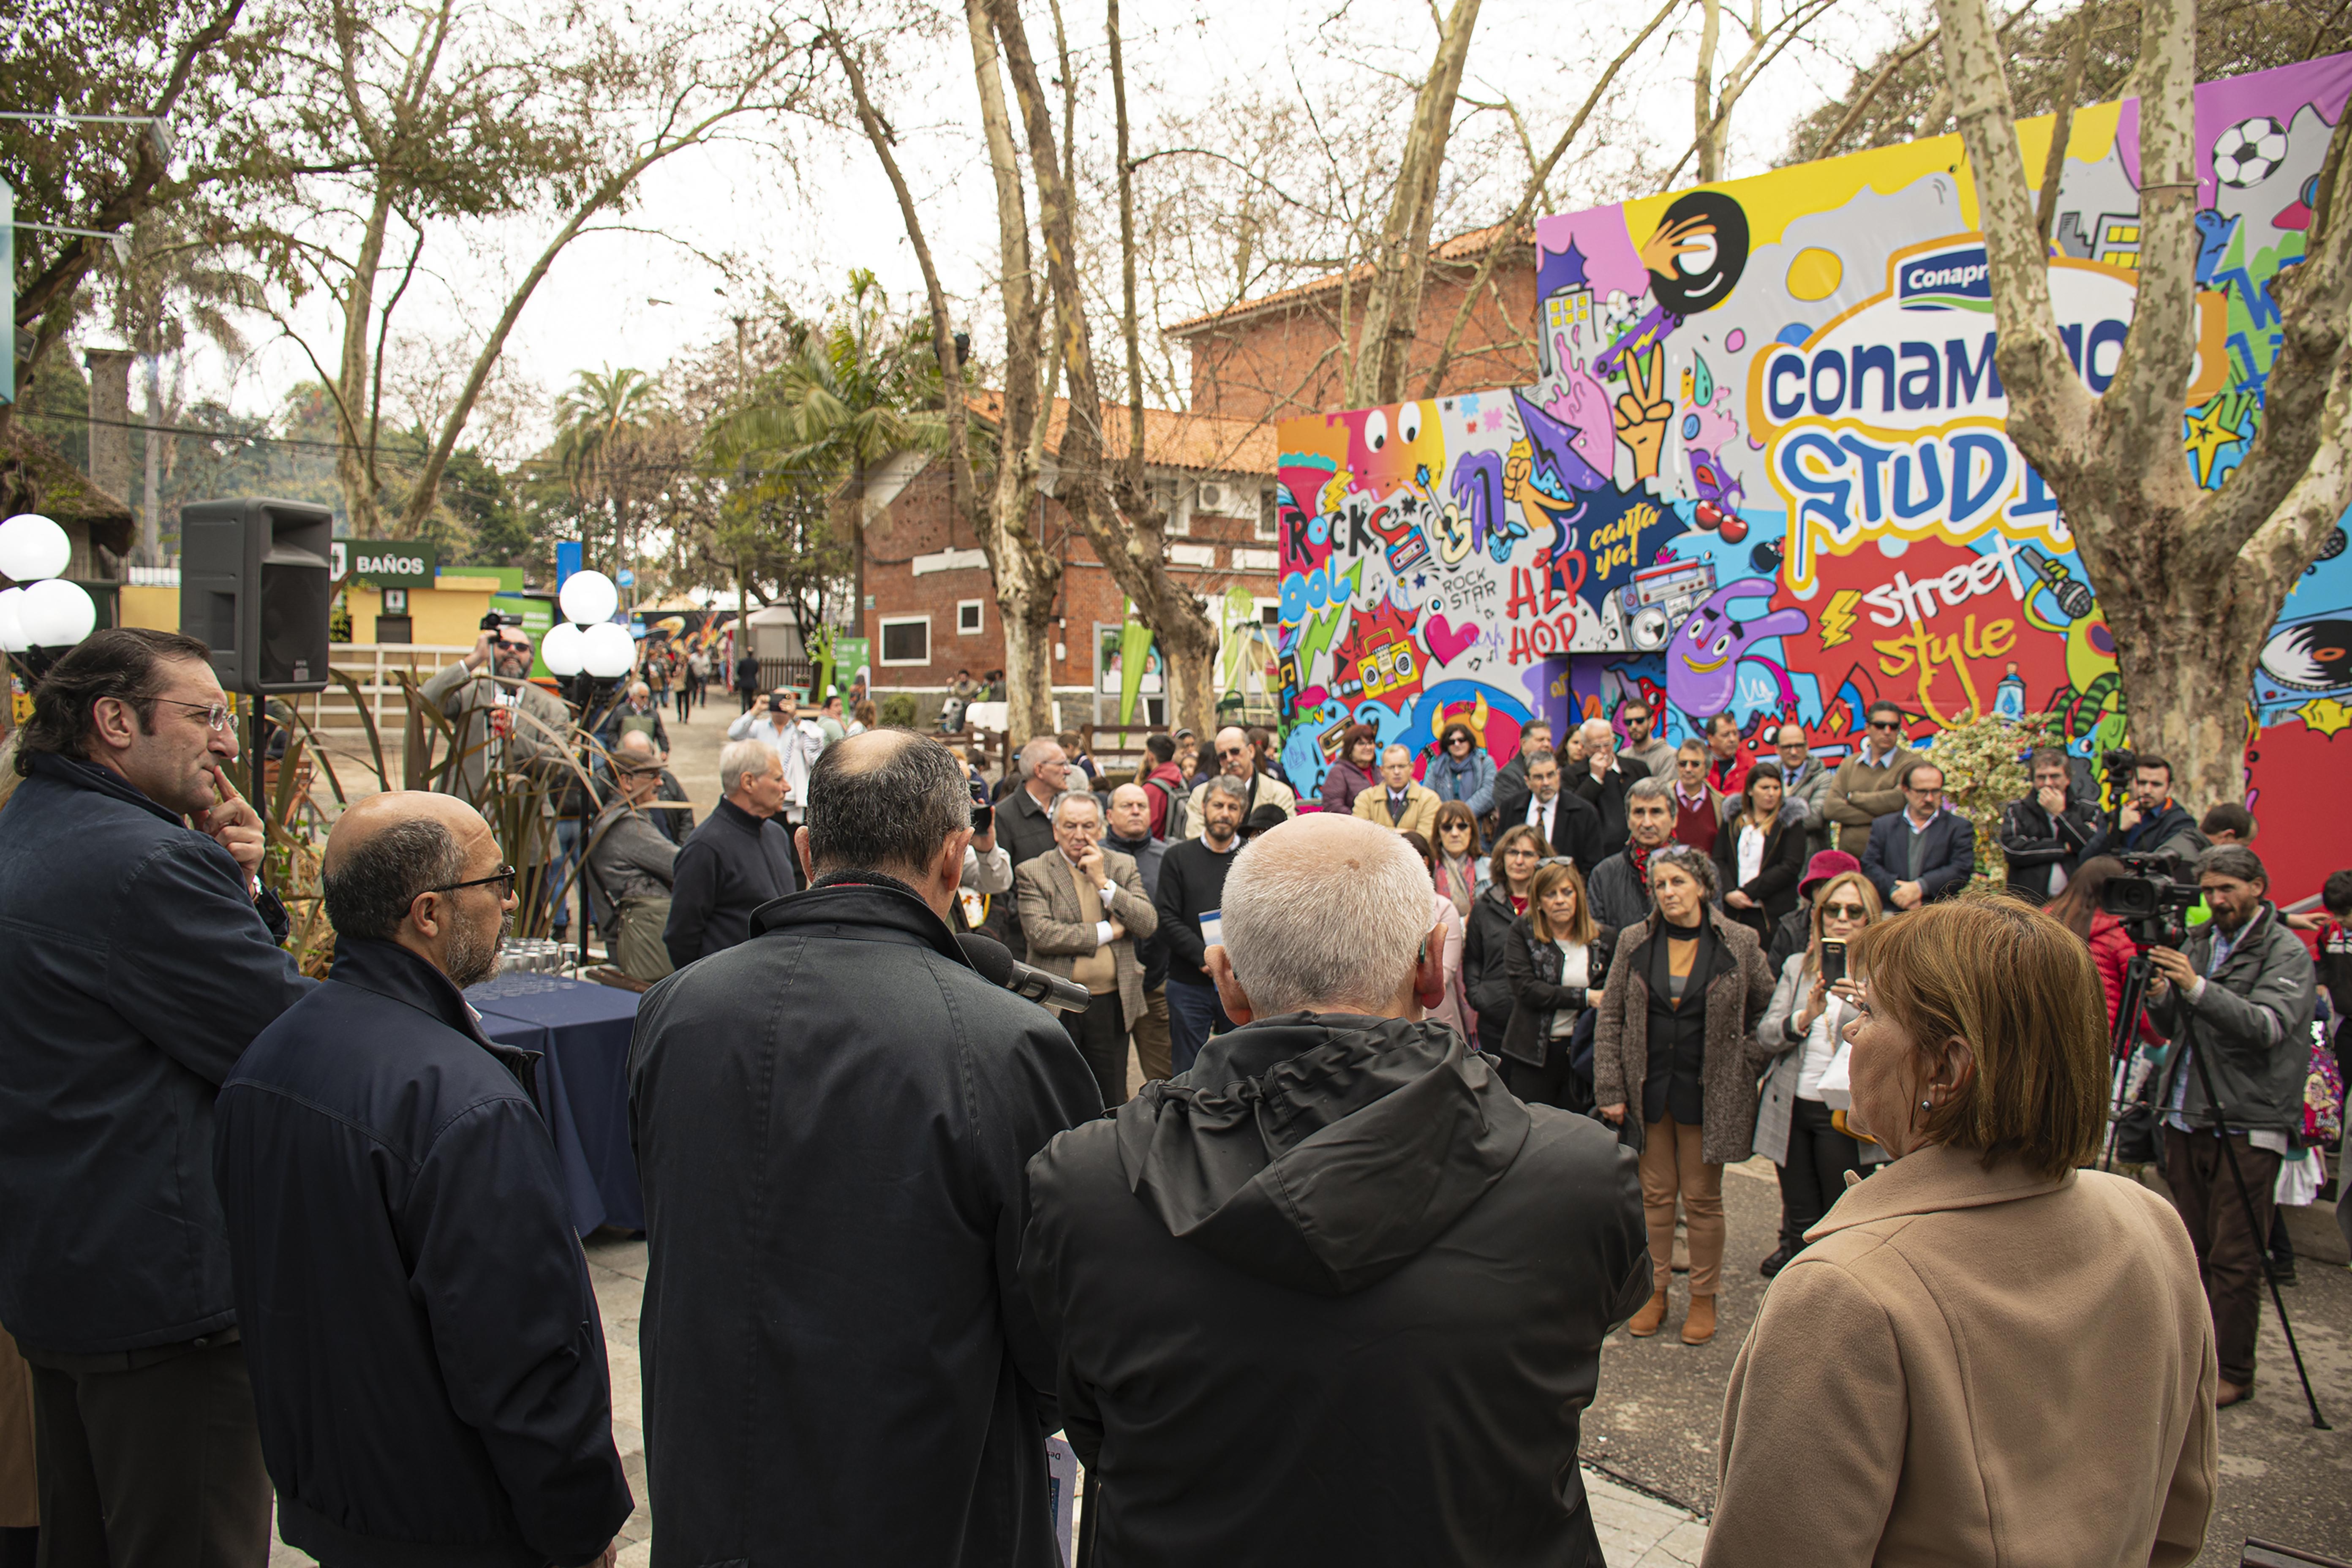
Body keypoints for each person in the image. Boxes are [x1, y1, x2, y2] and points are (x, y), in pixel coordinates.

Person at [1019, 814, 1648, 1567]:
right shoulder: (1578, 1175)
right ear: (1429, 968)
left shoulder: (1082, 1183)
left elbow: (1082, 1404)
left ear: (1227, 983)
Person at [629, 730, 1101, 1565]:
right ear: (956, 861)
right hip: (928, 1494)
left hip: (716, 1483)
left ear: (805, 849)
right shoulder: (1011, 1042)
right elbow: (1057, 1325)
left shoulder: (677, 1008)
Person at [1705, 899, 2217, 1568]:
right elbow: (2181, 1521)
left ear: (1946, 1070)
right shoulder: (2151, 1222)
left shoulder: (1849, 1294)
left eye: (1872, 1013)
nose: (1851, 1032)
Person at [214, 793, 633, 1568]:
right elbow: (521, 1354)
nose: (510, 900)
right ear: (430, 912)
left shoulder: (266, 1057)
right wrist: (581, 1524)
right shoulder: (462, 1103)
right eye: (496, 881)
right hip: (458, 1522)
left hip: (339, 1503)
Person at [0, 629, 311, 1563]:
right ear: (114, 721)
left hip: (62, 1280)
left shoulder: (30, 823)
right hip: (166, 1304)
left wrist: (242, 887)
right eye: (205, 715)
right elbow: (278, 1041)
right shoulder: (150, 864)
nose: (227, 741)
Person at [2145, 845, 2317, 1408]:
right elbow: (2172, 1028)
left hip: (2249, 1117)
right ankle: (2191, 1360)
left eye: (2228, 890)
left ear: (2258, 888)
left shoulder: (2286, 952)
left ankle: (2235, 1370)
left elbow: (2266, 1026)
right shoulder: (2197, 942)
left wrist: (2194, 987)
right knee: (2189, 1250)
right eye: (2210, 890)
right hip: (2188, 1109)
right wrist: (2164, 997)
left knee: (2237, 1255)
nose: (2217, 901)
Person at [1592, 843, 1776, 1345]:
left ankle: (1703, 1296)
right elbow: (1611, 1015)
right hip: (1648, 1089)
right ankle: (1653, 1294)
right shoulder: (1635, 939)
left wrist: (1747, 1060)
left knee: (1701, 1199)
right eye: (1660, 885)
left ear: (1702, 885)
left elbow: (1767, 1005)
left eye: (1677, 882)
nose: (1668, 893)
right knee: (1653, 1197)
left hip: (1707, 1091)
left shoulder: (1738, 940)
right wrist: (1609, 1085)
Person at [1751, 870, 1884, 1277]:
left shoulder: (1882, 973)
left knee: (1842, 1217)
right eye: (1831, 909)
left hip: (1845, 1114)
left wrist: (1866, 1004)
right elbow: (1767, 1034)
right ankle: (1795, 1300)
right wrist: (1804, 1016)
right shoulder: (1797, 966)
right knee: (1799, 1217)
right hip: (1792, 1107)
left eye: (1854, 910)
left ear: (1869, 918)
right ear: (1818, 916)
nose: (1841, 918)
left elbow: (1894, 1043)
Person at [1015, 792, 1160, 1108]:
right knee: (1056, 1091)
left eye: (1087, 826)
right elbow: (1042, 934)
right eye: (1069, 826)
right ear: (1056, 830)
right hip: (1056, 1001)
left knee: (1109, 1092)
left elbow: (1148, 923)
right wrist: (1107, 931)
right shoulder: (1033, 871)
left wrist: (1103, 882)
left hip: (1109, 1002)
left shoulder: (1121, 865)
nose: (1079, 835)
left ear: (1100, 829)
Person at [664, 740, 799, 969]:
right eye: (778, 779)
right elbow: (681, 937)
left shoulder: (776, 835)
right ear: (748, 782)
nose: (787, 787)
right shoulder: (705, 848)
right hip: (729, 991)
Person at [1500, 860, 1615, 1110]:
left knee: (1579, 1136)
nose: (1560, 900)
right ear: (1539, 902)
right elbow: (1526, 988)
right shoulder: (1523, 932)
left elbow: (1610, 994)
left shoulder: (1604, 939)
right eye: (1551, 894)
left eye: (1567, 892)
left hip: (1584, 1054)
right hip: (1533, 1055)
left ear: (1579, 896)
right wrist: (1586, 997)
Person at [421, 624, 573, 812]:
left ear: (531, 661)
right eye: (504, 645)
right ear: (490, 654)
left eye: (521, 648)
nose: (512, 651)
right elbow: (426, 700)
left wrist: (514, 738)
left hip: (523, 820)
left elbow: (558, 764)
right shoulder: (471, 693)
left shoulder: (551, 708)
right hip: (465, 810)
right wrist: (475, 658)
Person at [1156, 775, 1250, 1073]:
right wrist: (1205, 959)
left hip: (1241, 982)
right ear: (1204, 807)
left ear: (1242, 813)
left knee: (1240, 1066)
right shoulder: (1177, 857)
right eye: (1218, 805)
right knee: (1188, 1069)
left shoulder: (1254, 857)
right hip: (1189, 984)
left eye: (1233, 807)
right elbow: (1167, 918)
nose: (1225, 813)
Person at [585, 732, 678, 981]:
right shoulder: (628, 826)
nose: (660, 783)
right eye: (652, 777)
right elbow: (680, 865)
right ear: (626, 781)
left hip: (633, 938)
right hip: (640, 944)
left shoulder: (615, 817)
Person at [1104, 783, 1173, 1084]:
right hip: (1108, 988)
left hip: (1156, 984)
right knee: (1108, 1080)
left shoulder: (1169, 856)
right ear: (1109, 815)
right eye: (1127, 806)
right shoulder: (1094, 858)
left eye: (1141, 806)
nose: (1135, 811)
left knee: (1165, 1077)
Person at [1462, 823, 1548, 1061]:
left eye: (1528, 854)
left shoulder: (1550, 904)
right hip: (1494, 1019)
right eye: (1513, 853)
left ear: (1541, 860)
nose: (1519, 861)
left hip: (1539, 1019)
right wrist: (1479, 996)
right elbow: (1472, 959)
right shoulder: (1485, 905)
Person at [2045, 857, 2144, 1031]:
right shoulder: (2119, 936)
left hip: (2048, 1031)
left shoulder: (2044, 922)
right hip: (2101, 1038)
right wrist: (2158, 1043)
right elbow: (2136, 1000)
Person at [1862, 760, 1975, 911]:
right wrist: (1896, 891)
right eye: (1922, 792)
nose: (1929, 799)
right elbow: (1870, 864)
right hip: (1890, 912)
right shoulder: (1884, 826)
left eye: (1935, 792)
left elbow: (1961, 868)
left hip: (1937, 913)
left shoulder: (1958, 827)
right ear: (1906, 790)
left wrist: (1920, 887)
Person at [1713, 761, 1805, 937]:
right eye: (1765, 788)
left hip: (1770, 913)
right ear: (1750, 790)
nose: (1771, 794)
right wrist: (1729, 892)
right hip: (1734, 910)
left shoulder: (1789, 823)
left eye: (1776, 788)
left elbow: (1790, 866)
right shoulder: (1733, 820)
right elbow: (1719, 858)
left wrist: (1747, 892)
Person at [1399, 829, 1475, 1040]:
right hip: (1395, 1019)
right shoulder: (1382, 908)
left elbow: (1444, 973)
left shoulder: (1444, 909)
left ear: (1425, 863)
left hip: (1437, 1021)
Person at [1821, 700, 1918, 856]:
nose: (1887, 731)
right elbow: (1831, 809)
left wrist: (1854, 798)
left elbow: (1900, 801)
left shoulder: (1911, 764)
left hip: (1891, 860)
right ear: (1867, 728)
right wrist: (1884, 813)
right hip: (1850, 862)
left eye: (1893, 727)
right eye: (1880, 725)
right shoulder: (1849, 764)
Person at [2000, 746, 2097, 899]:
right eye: (2041, 777)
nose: (2048, 783)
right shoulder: (2018, 810)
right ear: (2033, 780)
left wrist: (2061, 814)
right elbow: (2014, 851)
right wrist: (2063, 848)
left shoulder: (2088, 809)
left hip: (2076, 901)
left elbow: (2092, 846)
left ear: (2068, 779)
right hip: (2031, 902)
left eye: (2055, 776)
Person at [726, 688, 824, 832]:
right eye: (777, 699)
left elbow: (816, 753)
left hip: (791, 804)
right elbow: (734, 733)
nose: (781, 704)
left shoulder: (801, 729)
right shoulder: (759, 727)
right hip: (762, 801)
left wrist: (795, 716)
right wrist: (756, 710)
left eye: (786, 699)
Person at [2082, 754, 2205, 865]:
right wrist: (2116, 829)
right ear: (2132, 783)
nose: (2147, 791)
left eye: (2156, 784)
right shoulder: (2118, 814)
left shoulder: (2180, 823)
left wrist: (2112, 856)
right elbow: (2085, 858)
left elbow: (2158, 863)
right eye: (2142, 783)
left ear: (2169, 787)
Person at [1185, 725, 1296, 839]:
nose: (1229, 759)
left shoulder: (1280, 794)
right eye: (1223, 756)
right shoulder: (1200, 795)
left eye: (1235, 752)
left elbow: (1288, 840)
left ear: (1251, 751)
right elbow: (1196, 839)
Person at [1769, 849, 1863, 975]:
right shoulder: (1791, 926)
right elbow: (1774, 977)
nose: (1826, 892)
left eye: (1833, 885)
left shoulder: (1877, 936)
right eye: (1819, 886)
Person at [1568, 716, 1645, 859]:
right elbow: (1574, 812)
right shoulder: (1571, 774)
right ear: (1584, 747)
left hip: (1636, 851)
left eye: (1607, 744)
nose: (1603, 751)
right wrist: (1595, 779)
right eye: (1596, 746)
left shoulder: (1637, 768)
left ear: (1614, 740)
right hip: (1595, 854)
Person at [1520, 751, 1604, 875]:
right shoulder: (1511, 808)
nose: (1546, 783)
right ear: (1528, 781)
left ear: (1559, 775)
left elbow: (1593, 867)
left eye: (1551, 775)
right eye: (1539, 777)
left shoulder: (1584, 813)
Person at [1352, 742, 1440, 838]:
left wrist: (1377, 832)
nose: (1397, 772)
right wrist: (1406, 833)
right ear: (1382, 771)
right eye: (1391, 767)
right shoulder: (1365, 798)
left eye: (1402, 766)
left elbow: (1424, 839)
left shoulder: (1430, 799)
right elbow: (1359, 835)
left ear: (1411, 768)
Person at [1772, 723, 1833, 855]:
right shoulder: (1769, 776)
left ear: (1807, 746)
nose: (1794, 752)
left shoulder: (1823, 779)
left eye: (1799, 746)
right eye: (1788, 747)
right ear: (1777, 749)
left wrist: (1771, 823)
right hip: (1773, 856)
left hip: (1808, 857)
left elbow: (1814, 819)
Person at [1486, 719, 1555, 828]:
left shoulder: (1556, 771)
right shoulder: (1507, 776)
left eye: (1549, 740)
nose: (1547, 744)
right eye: (1541, 740)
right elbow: (1510, 814)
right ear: (1524, 743)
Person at [1430, 800, 1487, 920]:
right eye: (1447, 828)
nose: (1455, 833)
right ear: (1438, 834)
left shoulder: (1490, 868)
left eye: (1462, 826)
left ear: (1472, 832)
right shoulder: (1427, 870)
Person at [1425, 720, 1497, 813]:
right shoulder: (1437, 766)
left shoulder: (1485, 763)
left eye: (1461, 740)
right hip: (1445, 823)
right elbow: (1428, 796)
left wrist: (1463, 814)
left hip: (1477, 824)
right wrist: (1448, 817)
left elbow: (1489, 793)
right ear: (1446, 745)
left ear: (1470, 742)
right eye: (1451, 742)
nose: (1457, 744)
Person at [1669, 739, 1726, 856]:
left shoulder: (1720, 804)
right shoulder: (1662, 797)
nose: (1688, 769)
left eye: (1695, 764)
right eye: (1683, 764)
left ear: (1707, 767)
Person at [1318, 723, 1380, 815]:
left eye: (1370, 743)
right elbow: (1333, 806)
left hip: (1381, 827)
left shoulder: (1379, 771)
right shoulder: (1339, 772)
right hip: (1354, 827)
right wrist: (1360, 818)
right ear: (1350, 748)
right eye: (1361, 744)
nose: (1368, 748)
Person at [1138, 733, 1191, 838]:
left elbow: (1148, 826)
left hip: (1157, 846)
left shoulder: (1151, 789)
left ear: (1151, 756)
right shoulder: (1179, 777)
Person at [599, 681, 670, 756]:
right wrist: (618, 745)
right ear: (633, 696)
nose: (645, 699)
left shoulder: (653, 714)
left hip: (646, 754)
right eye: (642, 697)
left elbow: (661, 734)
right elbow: (611, 730)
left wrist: (664, 750)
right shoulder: (621, 711)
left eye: (647, 697)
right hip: (625, 754)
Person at [1617, 696, 1677, 780]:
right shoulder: (1622, 756)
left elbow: (1665, 791)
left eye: (1639, 720)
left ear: (1651, 722)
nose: (1633, 726)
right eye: (1628, 722)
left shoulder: (1669, 756)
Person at [1704, 713, 1753, 796]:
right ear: (1711, 739)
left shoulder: (1749, 763)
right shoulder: (1698, 763)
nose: (1732, 739)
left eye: (1735, 734)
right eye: (1725, 735)